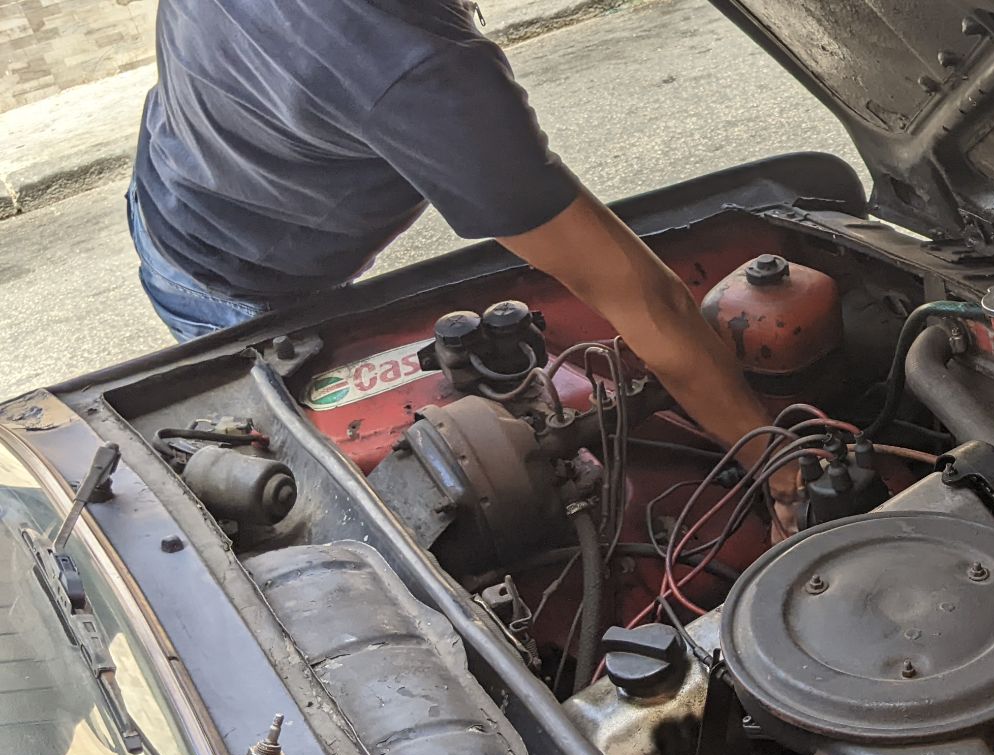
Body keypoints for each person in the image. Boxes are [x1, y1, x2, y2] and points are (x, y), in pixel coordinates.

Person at [128, 0, 781, 467]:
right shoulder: (417, 71)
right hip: (231, 278)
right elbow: (641, 297)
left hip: (175, 174)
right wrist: (781, 468)